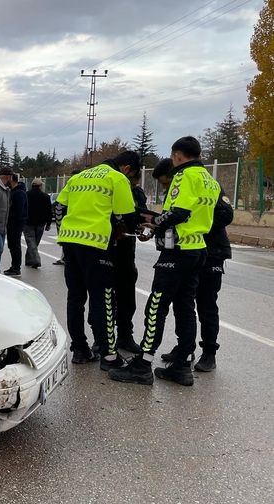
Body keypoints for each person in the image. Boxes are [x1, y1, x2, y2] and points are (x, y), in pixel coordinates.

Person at [109, 137, 220, 386]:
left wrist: (155, 223)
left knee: (156, 307)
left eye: (173, 157)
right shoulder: (210, 179)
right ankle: (182, 366)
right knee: (185, 307)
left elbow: (180, 213)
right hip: (198, 248)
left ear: (177, 155)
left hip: (177, 251)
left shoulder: (184, 176)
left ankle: (143, 365)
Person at [55, 152, 139, 369]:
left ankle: (80, 350)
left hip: (70, 244)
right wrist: (124, 230)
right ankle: (108, 357)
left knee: (75, 299)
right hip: (96, 245)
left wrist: (62, 230)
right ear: (127, 169)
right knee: (102, 300)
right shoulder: (116, 178)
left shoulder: (78, 177)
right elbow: (127, 216)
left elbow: (58, 206)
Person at [151, 159, 233, 372]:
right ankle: (184, 349)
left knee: (205, 302)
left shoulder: (200, 182)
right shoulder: (183, 186)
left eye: (166, 183)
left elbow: (226, 214)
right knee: (183, 301)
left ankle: (209, 353)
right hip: (190, 250)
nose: (166, 188)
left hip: (211, 251)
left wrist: (198, 225)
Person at [106, 166, 147, 355]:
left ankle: (125, 336)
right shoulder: (109, 187)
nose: (132, 185)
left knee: (127, 297)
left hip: (127, 251)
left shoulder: (137, 193)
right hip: (107, 249)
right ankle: (104, 339)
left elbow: (141, 217)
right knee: (105, 298)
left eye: (134, 183)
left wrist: (142, 228)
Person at [24, 178, 52, 269]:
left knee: (31, 242)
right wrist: (48, 223)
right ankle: (36, 260)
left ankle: (29, 260)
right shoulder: (46, 196)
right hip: (41, 223)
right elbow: (49, 211)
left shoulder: (26, 195)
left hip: (28, 222)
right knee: (34, 242)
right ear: (40, 186)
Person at [4, 173, 28, 276]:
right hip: (13, 223)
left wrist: (13, 221)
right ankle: (14, 266)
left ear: (12, 179)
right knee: (12, 245)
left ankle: (16, 268)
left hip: (15, 224)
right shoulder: (13, 191)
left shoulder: (19, 193)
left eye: (8, 179)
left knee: (15, 246)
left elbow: (18, 211)